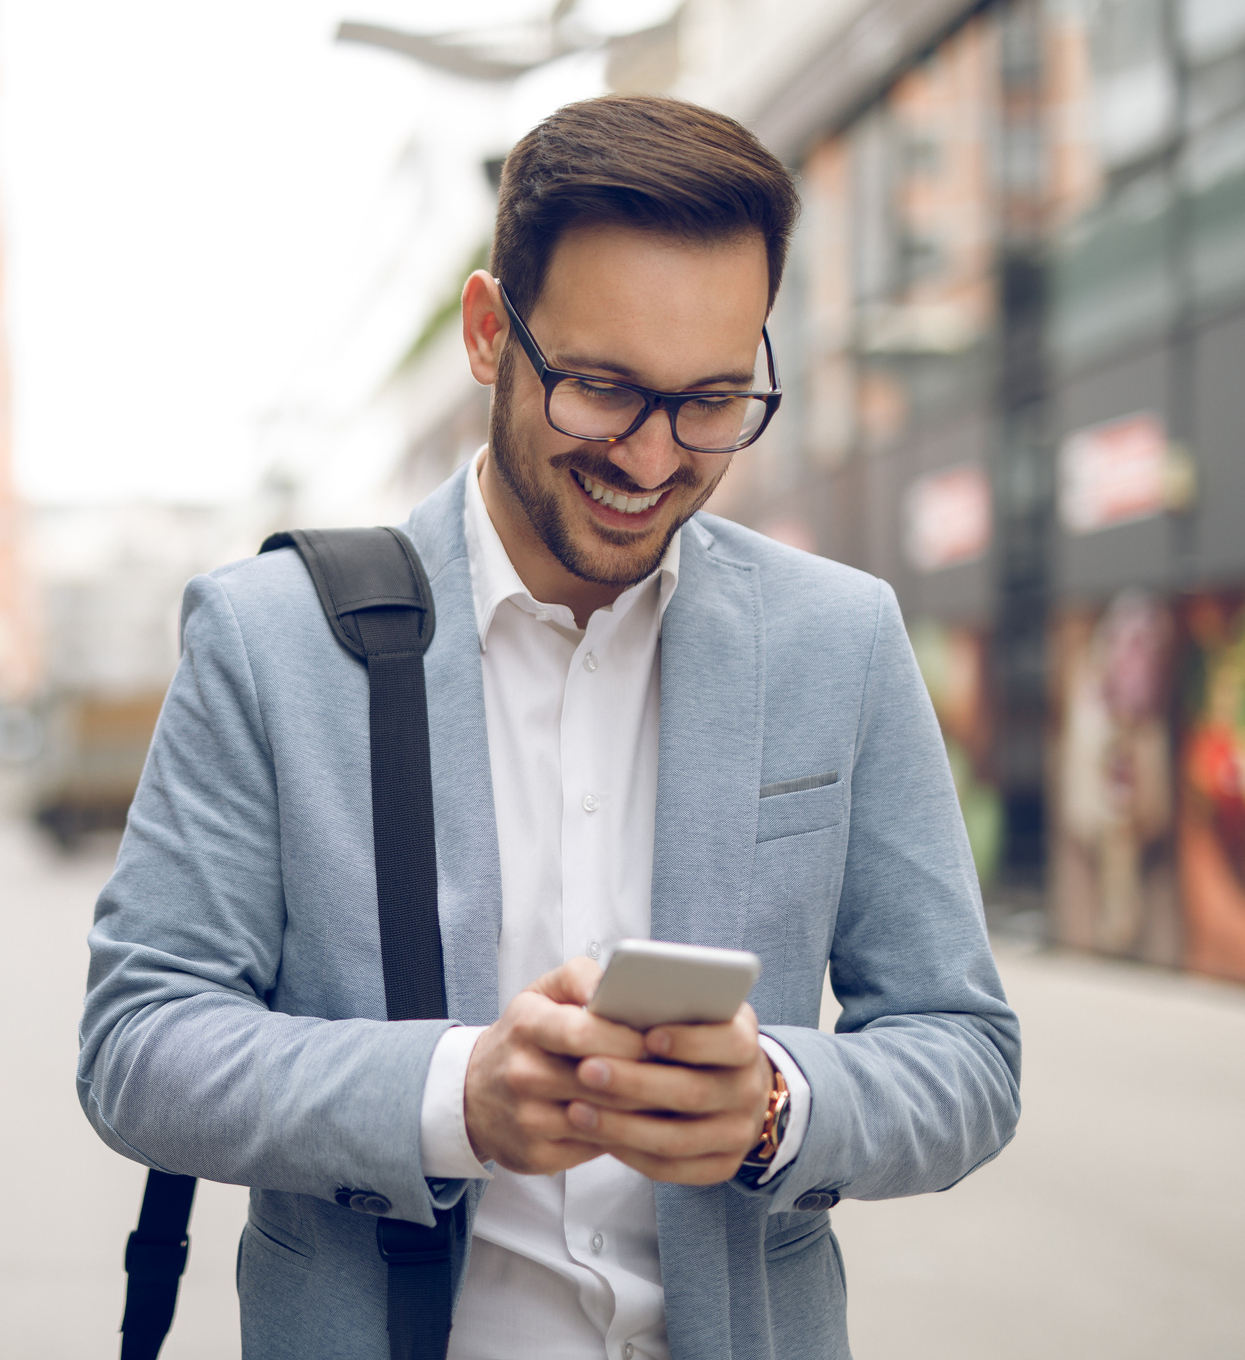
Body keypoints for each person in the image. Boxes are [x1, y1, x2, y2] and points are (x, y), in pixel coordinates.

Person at [78, 96, 1020, 1360]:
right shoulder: (269, 639)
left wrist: (777, 1104)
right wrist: (451, 1096)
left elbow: (965, 1053)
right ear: (487, 333)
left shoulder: (837, 638)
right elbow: (139, 1044)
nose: (652, 455)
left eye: (713, 401)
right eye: (603, 388)